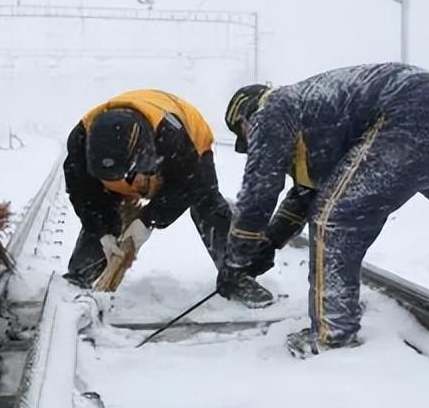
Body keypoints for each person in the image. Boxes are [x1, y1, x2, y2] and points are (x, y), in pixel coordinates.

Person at [220, 63, 429, 358]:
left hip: (411, 115)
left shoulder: (271, 108)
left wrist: (238, 258)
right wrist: (270, 243)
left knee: (334, 220)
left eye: (245, 137)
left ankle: (332, 337)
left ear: (247, 120)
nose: (251, 143)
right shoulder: (315, 120)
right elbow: (305, 196)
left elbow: (259, 192)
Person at [63, 89, 274, 308]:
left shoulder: (172, 136)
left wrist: (148, 220)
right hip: (132, 156)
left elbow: (186, 185)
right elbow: (84, 197)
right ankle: (81, 274)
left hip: (189, 145)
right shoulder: (79, 141)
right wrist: (102, 232)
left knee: (207, 203)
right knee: (101, 210)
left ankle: (237, 275)